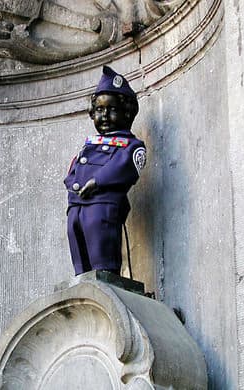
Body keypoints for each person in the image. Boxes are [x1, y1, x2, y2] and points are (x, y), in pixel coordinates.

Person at [64, 65, 147, 275]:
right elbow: (74, 168)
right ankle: (81, 280)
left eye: (112, 110)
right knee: (78, 248)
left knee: (102, 249)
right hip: (77, 204)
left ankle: (106, 277)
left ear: (126, 113)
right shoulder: (89, 145)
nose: (104, 115)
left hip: (103, 205)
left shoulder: (131, 145)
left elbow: (123, 167)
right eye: (99, 110)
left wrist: (96, 182)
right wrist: (72, 184)